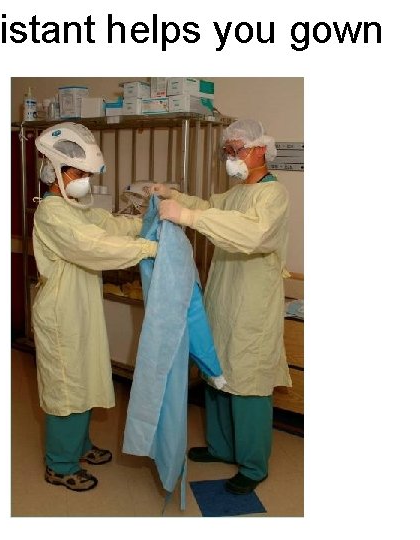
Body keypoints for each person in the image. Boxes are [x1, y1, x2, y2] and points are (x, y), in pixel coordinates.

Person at [151, 119, 291, 495]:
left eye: (236, 149)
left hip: (252, 304)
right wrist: (174, 196)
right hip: (224, 297)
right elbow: (211, 207)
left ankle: (253, 464)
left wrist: (188, 217)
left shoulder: (272, 195)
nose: (230, 157)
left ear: (260, 149)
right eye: (227, 150)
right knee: (218, 373)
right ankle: (220, 447)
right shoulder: (237, 192)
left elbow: (253, 234)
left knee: (248, 383)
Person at [31, 122, 158, 492]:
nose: (85, 180)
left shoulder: (73, 207)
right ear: (54, 171)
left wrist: (141, 224)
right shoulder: (52, 213)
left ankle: (80, 445)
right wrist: (149, 248)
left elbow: (104, 225)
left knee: (83, 377)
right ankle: (60, 464)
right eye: (79, 173)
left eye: (87, 174)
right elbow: (93, 245)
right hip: (61, 312)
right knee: (67, 387)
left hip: (79, 306)